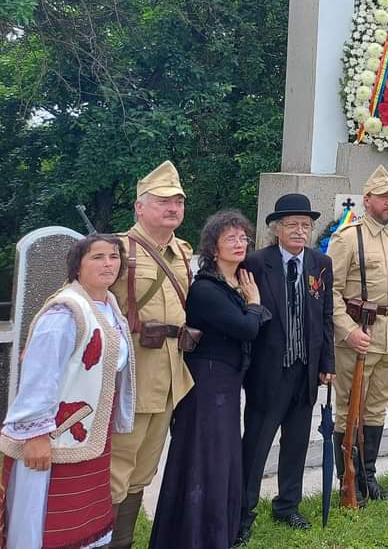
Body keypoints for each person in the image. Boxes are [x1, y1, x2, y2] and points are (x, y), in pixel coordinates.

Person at [0, 235, 135, 549]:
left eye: (114, 257)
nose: (108, 264)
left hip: (89, 435)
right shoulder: (65, 312)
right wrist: (34, 435)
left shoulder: (108, 306)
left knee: (80, 517)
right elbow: (39, 376)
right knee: (44, 519)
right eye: (97, 257)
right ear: (78, 266)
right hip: (54, 434)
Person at [148, 211, 269, 549]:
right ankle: (192, 537)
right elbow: (247, 328)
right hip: (206, 382)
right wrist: (255, 306)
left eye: (243, 237)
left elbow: (257, 327)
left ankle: (219, 533)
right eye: (230, 237)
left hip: (228, 381)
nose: (239, 242)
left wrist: (253, 310)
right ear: (213, 247)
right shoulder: (205, 288)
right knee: (204, 457)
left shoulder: (239, 282)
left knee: (224, 456)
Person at [237, 194, 335, 542]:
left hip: (305, 371)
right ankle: (242, 513)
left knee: (296, 443)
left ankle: (287, 505)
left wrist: (327, 363)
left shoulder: (320, 263)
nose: (299, 231)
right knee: (257, 445)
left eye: (305, 225)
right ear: (276, 229)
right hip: (268, 371)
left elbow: (325, 316)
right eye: (292, 224)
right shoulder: (254, 263)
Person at [109, 160, 194, 549]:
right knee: (117, 466)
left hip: (170, 374)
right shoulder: (115, 250)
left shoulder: (182, 250)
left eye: (178, 201)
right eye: (163, 201)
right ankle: (102, 540)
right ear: (139, 207)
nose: (172, 208)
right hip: (131, 376)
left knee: (144, 467)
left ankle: (122, 541)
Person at [326, 166, 388, 503]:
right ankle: (346, 481)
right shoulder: (348, 238)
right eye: (383, 196)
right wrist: (348, 331)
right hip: (358, 337)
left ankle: (367, 477)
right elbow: (330, 292)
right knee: (348, 409)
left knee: (377, 408)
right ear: (367, 200)